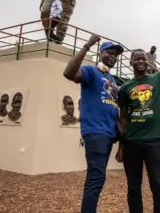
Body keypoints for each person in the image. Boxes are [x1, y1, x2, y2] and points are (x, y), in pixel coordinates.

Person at [116, 27, 160, 213]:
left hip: (154, 142)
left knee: (158, 186)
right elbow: (123, 118)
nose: (140, 60)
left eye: (143, 58)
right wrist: (120, 146)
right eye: (137, 58)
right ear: (131, 62)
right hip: (131, 143)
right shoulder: (124, 89)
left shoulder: (158, 79)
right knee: (133, 188)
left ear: (148, 62)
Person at [63, 35, 124, 213]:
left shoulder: (111, 80)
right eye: (109, 52)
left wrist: (120, 142)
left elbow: (116, 111)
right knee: (95, 179)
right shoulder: (91, 71)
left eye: (116, 54)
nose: (113, 56)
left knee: (98, 178)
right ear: (101, 53)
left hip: (108, 135)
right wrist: (87, 45)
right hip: (95, 132)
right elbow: (69, 73)